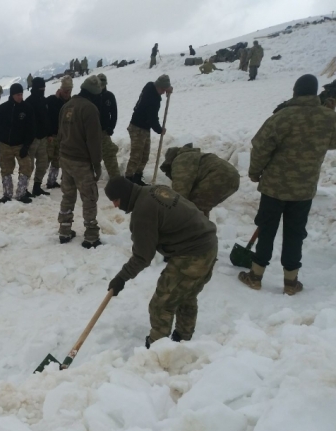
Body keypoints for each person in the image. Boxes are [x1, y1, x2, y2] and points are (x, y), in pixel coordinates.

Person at [239, 74, 336, 295]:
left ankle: (255, 276)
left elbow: (261, 146)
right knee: (295, 234)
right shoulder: (328, 118)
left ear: (295, 91)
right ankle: (291, 283)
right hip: (303, 190)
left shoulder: (282, 117)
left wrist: (255, 173)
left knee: (267, 229)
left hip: (274, 187)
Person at [104, 176, 218, 347]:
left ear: (125, 194)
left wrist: (121, 278)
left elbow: (143, 256)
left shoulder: (143, 212)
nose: (115, 205)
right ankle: (183, 339)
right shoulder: (153, 190)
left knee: (161, 304)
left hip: (193, 253)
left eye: (116, 200)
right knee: (186, 294)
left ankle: (158, 348)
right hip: (208, 244)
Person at [57, 76, 104, 248]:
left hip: (66, 158)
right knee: (89, 197)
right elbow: (94, 140)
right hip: (81, 162)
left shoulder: (67, 105)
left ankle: (64, 229)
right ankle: (91, 234)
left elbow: (60, 133)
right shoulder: (90, 109)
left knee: (68, 195)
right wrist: (97, 164)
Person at [159, 143, 240, 217]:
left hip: (219, 176)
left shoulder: (180, 160)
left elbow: (180, 191)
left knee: (193, 209)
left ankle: (195, 231)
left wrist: (170, 212)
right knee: (200, 208)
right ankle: (203, 231)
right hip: (233, 178)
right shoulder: (192, 155)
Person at [0, 83, 35, 203]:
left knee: (26, 167)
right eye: (18, 95)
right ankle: (7, 194)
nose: (20, 97)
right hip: (4, 145)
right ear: (12, 95)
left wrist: (26, 146)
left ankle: (21, 193)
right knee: (6, 170)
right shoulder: (2, 109)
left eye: (21, 94)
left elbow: (30, 130)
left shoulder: (27, 108)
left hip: (20, 145)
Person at [125, 75, 173, 185]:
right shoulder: (153, 100)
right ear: (159, 87)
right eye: (163, 90)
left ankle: (137, 177)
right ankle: (128, 181)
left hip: (145, 128)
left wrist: (167, 88)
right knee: (136, 156)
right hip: (137, 128)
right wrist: (160, 130)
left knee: (145, 156)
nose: (163, 92)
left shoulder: (150, 85)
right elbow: (152, 119)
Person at [45, 76, 73, 189]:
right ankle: (37, 183)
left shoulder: (72, 103)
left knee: (57, 160)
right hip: (51, 135)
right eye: (65, 91)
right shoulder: (51, 100)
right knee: (46, 159)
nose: (67, 93)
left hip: (63, 136)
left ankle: (51, 181)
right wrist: (48, 133)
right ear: (60, 89)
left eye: (69, 91)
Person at [26, 77, 50, 197]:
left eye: (44, 87)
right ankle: (23, 189)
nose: (42, 89)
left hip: (43, 138)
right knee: (28, 166)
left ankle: (37, 187)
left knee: (43, 163)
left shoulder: (44, 101)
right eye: (41, 88)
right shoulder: (29, 102)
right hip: (32, 139)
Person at [96, 73, 121, 178]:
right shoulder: (91, 95)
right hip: (91, 132)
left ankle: (116, 179)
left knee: (109, 155)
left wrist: (111, 127)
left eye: (103, 83)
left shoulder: (109, 96)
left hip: (104, 132)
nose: (101, 86)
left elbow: (114, 113)